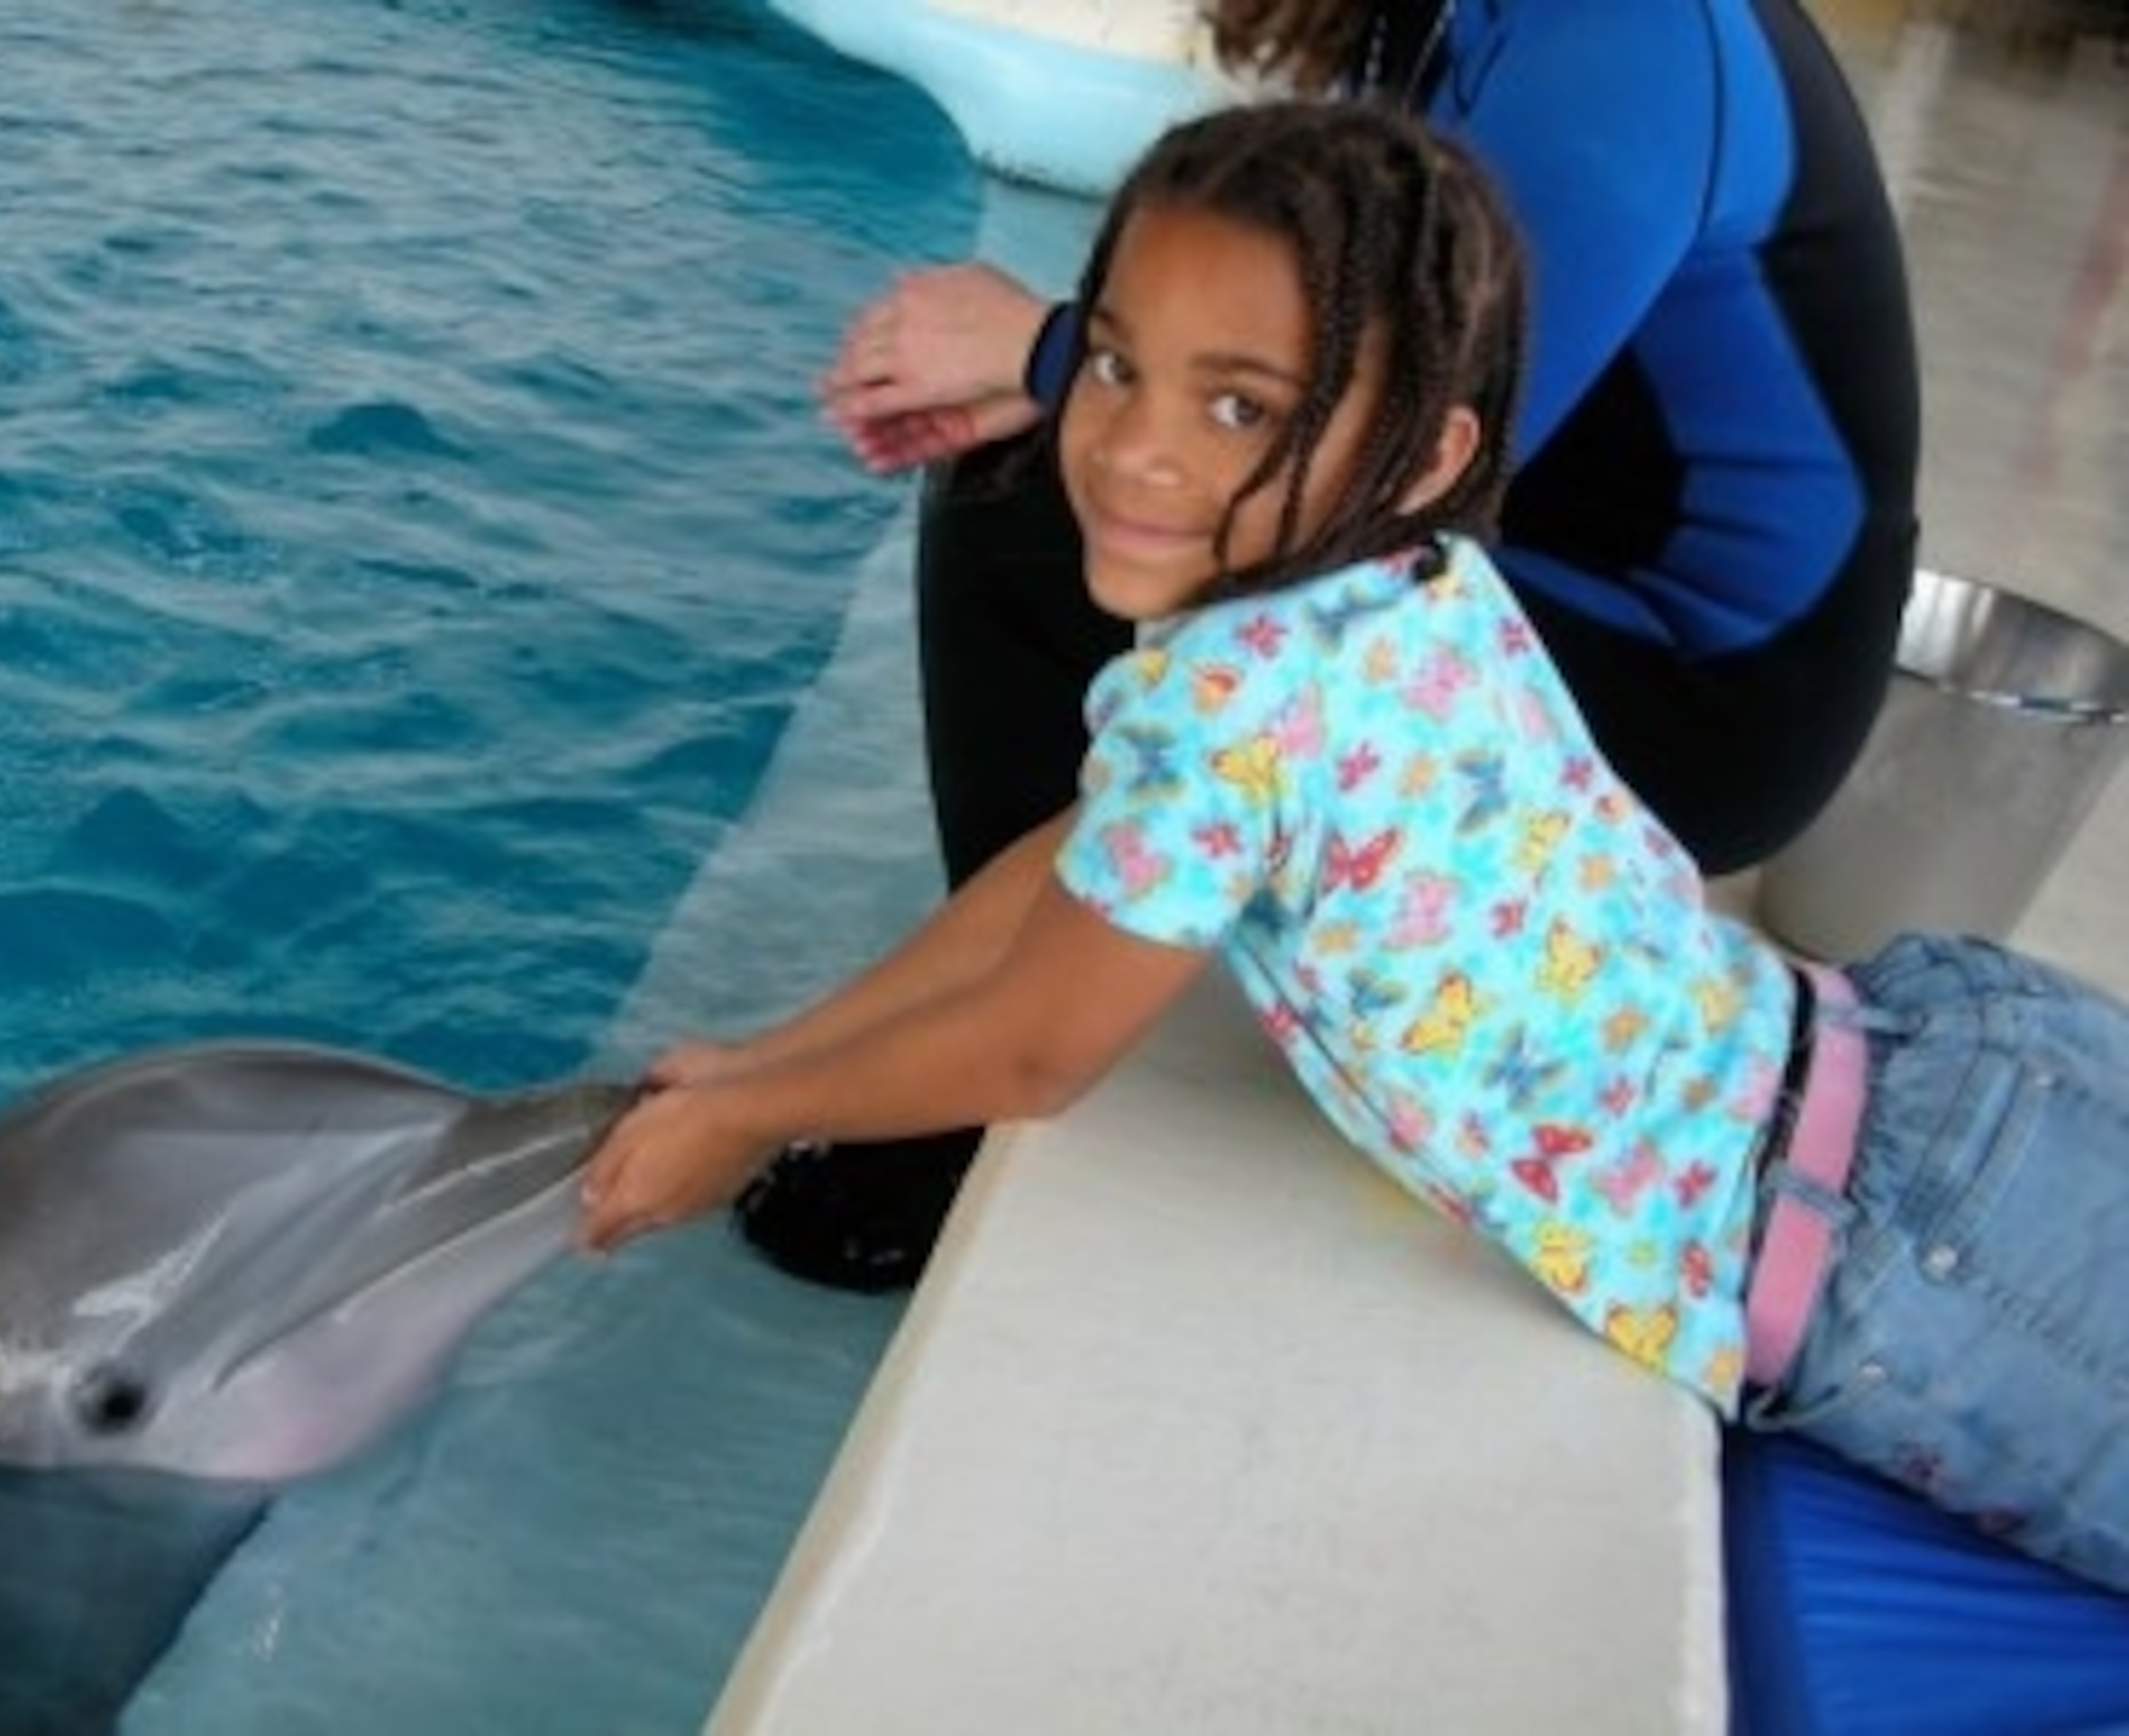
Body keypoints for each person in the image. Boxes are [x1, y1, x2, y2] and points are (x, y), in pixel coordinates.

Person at [577, 101, 2128, 1597]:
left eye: (1241, 406)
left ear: (1427, 452)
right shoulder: (1408, 581)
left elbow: (1036, 1047)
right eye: (1113, 363)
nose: (1134, 450)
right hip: (1936, 1057)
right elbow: (1065, 868)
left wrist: (753, 1119)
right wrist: (768, 1060)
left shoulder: (1230, 703)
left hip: (1898, 1251)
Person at [741, 0, 1925, 1291]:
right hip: (1560, 575)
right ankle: (1042, 952)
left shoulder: (1630, 37)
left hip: (1707, 696)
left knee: (1043, 500)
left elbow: (1422, 431)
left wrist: (1050, 352)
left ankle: (985, 1076)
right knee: (1076, 466)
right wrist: (1069, 365)